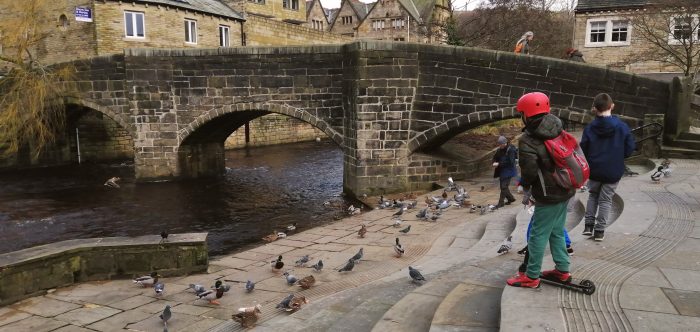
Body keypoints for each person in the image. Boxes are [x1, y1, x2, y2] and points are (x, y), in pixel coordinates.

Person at [507, 92, 575, 288]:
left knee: (538, 234)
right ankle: (562, 270)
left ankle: (531, 275)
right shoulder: (558, 127)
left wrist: (525, 185)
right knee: (556, 231)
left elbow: (528, 172)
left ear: (526, 114)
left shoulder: (528, 139)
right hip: (566, 188)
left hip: (548, 194)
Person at [580, 93, 635, 241]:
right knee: (606, 200)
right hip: (613, 169)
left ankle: (588, 225)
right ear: (612, 106)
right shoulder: (622, 127)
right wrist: (618, 156)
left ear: (595, 108)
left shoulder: (590, 128)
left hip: (594, 168)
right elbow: (630, 148)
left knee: (593, 195)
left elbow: (583, 148)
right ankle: (599, 231)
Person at [492, 136, 517, 208]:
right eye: (499, 144)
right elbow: (495, 157)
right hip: (502, 170)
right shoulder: (500, 150)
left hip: (509, 170)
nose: (500, 146)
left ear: (505, 143)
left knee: (503, 187)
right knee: (504, 187)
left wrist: (499, 164)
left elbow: (511, 162)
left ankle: (501, 203)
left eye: (501, 144)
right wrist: (494, 162)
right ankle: (511, 198)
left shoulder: (511, 149)